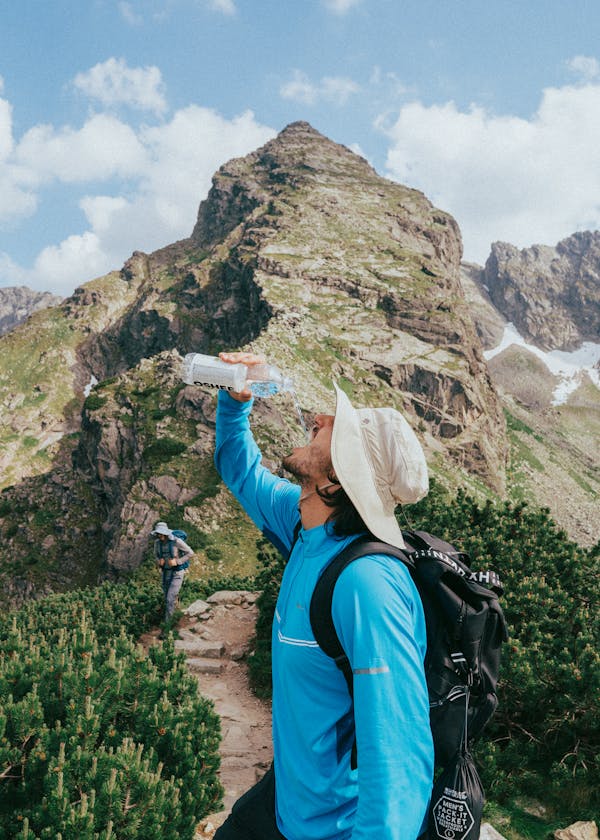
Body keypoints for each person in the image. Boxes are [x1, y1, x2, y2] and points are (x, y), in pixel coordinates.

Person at [212, 351, 434, 840]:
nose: (319, 417)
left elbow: (398, 757)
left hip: (334, 827)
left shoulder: (367, 584)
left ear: (339, 475)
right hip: (287, 803)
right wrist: (236, 400)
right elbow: (239, 470)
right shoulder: (303, 522)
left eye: (337, 426)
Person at [151, 521, 194, 623]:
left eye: (161, 533)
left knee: (170, 598)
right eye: (157, 533)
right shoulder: (157, 543)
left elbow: (190, 553)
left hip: (177, 573)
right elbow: (156, 555)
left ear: (166, 533)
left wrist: (178, 561)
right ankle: (174, 614)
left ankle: (168, 625)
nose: (159, 535)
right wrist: (158, 561)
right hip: (165, 573)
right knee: (167, 597)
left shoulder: (176, 541)